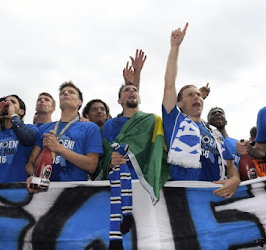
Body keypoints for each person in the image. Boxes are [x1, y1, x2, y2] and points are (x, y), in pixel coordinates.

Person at [162, 23, 240, 199]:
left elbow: (230, 165)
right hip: (185, 201)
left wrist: (234, 179)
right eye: (190, 95)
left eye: (198, 94)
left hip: (216, 199)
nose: (196, 97)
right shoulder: (175, 122)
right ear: (179, 104)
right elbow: (169, 84)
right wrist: (175, 47)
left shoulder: (214, 133)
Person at [101, 49, 169, 203]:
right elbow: (103, 154)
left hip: (143, 184)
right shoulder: (110, 124)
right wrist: (110, 162)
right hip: (115, 185)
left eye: (135, 90)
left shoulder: (153, 121)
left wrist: (137, 73)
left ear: (140, 98)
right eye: (126, 90)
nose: (132, 92)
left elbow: (160, 151)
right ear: (119, 100)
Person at [25, 81, 103, 188]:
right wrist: (36, 176)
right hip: (45, 190)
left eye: (71, 92)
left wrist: (58, 148)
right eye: (62, 93)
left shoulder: (90, 127)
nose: (66, 94)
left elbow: (92, 166)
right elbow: (30, 163)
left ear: (79, 102)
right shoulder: (44, 128)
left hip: (75, 191)